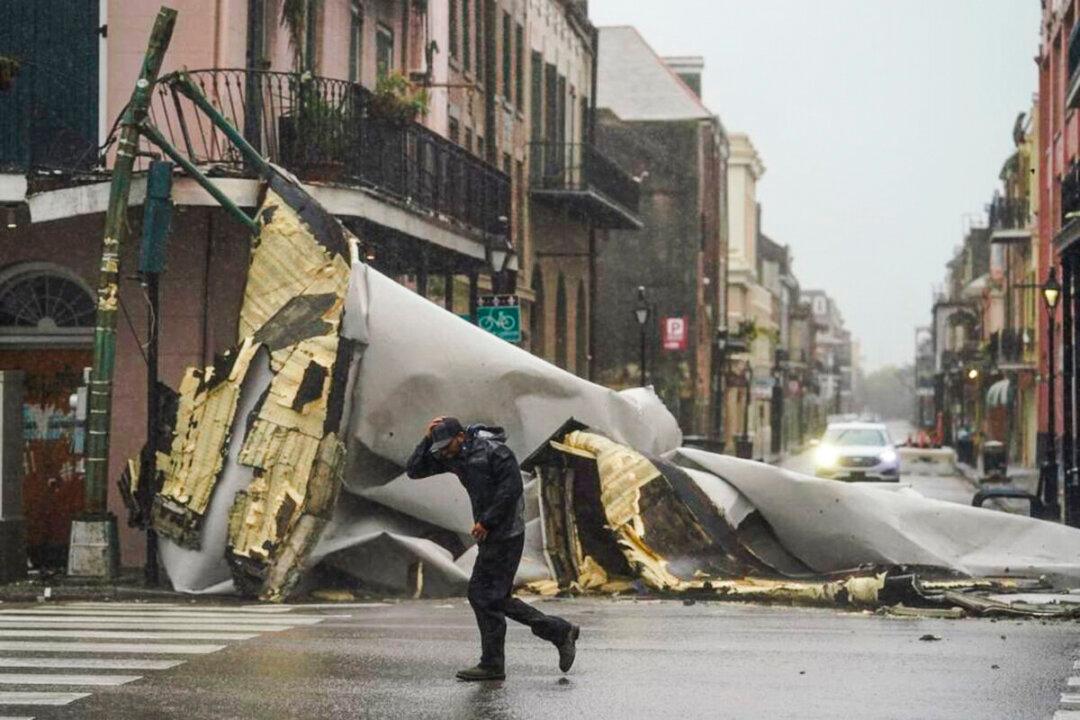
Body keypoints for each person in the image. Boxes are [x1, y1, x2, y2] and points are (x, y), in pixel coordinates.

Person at [406, 416, 580, 682]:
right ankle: (502, 659)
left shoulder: (495, 452)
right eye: (439, 447)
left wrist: (487, 521)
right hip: (490, 534)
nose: (443, 451)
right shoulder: (454, 455)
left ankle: (552, 634)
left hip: (507, 532)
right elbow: (414, 470)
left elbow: (511, 490)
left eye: (446, 445)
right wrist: (427, 439)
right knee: (487, 596)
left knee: (487, 596)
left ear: (461, 437)